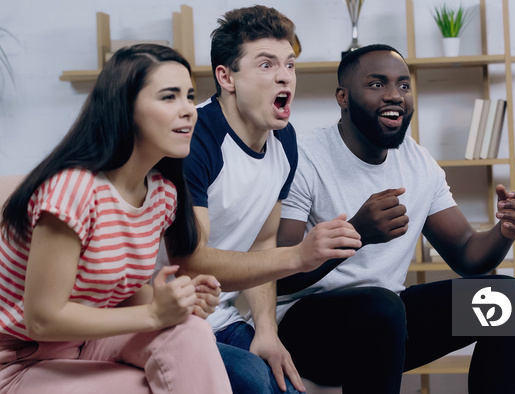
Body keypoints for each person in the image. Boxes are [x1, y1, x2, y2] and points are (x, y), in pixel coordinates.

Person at [0, 44, 231, 394]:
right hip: (15, 362)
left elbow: (115, 295)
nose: (189, 110)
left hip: (87, 344)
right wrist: (153, 314)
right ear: (125, 109)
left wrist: (175, 300)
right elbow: (42, 319)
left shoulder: (162, 194)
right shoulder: (71, 189)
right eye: (169, 97)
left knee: (193, 331)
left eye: (189, 96)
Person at [275, 44, 515, 394]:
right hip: (305, 331)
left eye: (403, 85)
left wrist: (504, 232)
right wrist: (356, 234)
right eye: (377, 84)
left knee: (511, 301)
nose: (394, 95)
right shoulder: (303, 156)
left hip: (388, 322)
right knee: (382, 308)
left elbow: (467, 254)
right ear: (343, 96)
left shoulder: (417, 161)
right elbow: (278, 274)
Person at [155, 6, 362, 394]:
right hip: (162, 315)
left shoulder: (284, 142)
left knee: (284, 384)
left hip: (220, 316)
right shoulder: (194, 140)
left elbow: (262, 240)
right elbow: (190, 258)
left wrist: (266, 331)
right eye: (266, 65)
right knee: (254, 381)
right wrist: (300, 255)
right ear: (226, 77)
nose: (284, 75)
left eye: (289, 64)